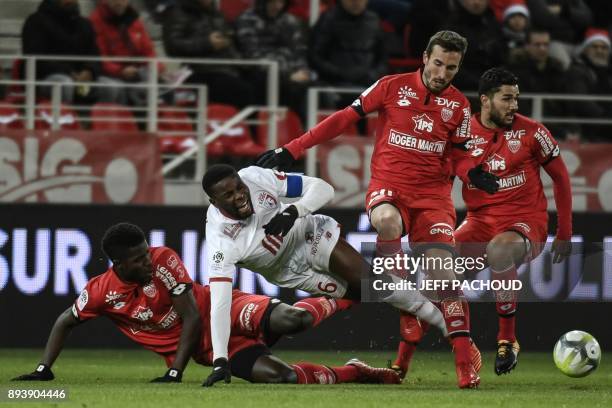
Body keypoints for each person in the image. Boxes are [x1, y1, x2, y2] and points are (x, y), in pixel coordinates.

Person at [256, 31, 499, 389]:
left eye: (452, 67)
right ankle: (404, 299)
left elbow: (461, 155)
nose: (443, 72)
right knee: (386, 221)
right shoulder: (391, 86)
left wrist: (472, 173)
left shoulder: (460, 106)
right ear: (424, 57)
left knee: (444, 275)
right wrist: (293, 149)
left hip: (433, 199)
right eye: (438, 63)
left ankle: (465, 368)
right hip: (390, 189)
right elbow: (343, 118)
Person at [11, 223, 401, 386]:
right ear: (119, 264)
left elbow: (193, 316)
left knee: (293, 319)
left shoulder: (164, 259)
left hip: (222, 309)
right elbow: (65, 319)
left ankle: (345, 299)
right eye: (138, 259)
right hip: (208, 349)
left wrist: (175, 373)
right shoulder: (100, 293)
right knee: (280, 377)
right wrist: (44, 369)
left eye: (146, 253)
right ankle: (356, 373)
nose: (148, 261)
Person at [201, 164, 476, 384]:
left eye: (239, 187)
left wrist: (295, 211)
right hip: (289, 273)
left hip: (307, 235)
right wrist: (221, 360)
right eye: (229, 195)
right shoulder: (220, 242)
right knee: (364, 294)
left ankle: (447, 327)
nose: (240, 195)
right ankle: (411, 313)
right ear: (214, 201)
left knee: (371, 284)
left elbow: (323, 188)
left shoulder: (254, 177)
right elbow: (220, 304)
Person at [391, 67, 572, 377]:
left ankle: (507, 339)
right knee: (436, 279)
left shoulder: (533, 132)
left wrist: (564, 232)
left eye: (516, 98)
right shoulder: (460, 134)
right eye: (507, 99)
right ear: (485, 100)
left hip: (526, 222)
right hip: (478, 222)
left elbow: (561, 177)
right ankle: (400, 364)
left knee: (500, 250)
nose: (514, 105)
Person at [162, 0, 256, 109]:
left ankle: (260, 124)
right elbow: (172, 46)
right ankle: (249, 125)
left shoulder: (216, 12)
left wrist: (244, 65)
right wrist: (207, 43)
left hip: (227, 68)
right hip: (200, 70)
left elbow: (230, 42)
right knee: (242, 91)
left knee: (261, 80)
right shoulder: (178, 12)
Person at [22, 0, 102, 104]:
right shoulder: (36, 21)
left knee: (110, 86)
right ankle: (65, 118)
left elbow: (94, 54)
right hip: (44, 78)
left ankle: (105, 119)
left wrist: (89, 71)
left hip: (81, 78)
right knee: (64, 83)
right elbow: (35, 58)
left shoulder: (85, 24)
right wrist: (69, 72)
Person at [90, 0, 164, 106]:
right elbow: (100, 57)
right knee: (118, 88)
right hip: (110, 74)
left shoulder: (134, 19)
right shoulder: (96, 20)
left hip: (135, 72)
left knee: (163, 85)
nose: (119, 2)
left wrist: (157, 68)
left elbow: (148, 51)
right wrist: (120, 71)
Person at [565, 28, 612, 141]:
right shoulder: (577, 70)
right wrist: (605, 117)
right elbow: (580, 100)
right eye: (595, 47)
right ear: (585, 50)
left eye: (604, 47)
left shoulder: (608, 71)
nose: (599, 51)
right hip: (588, 126)